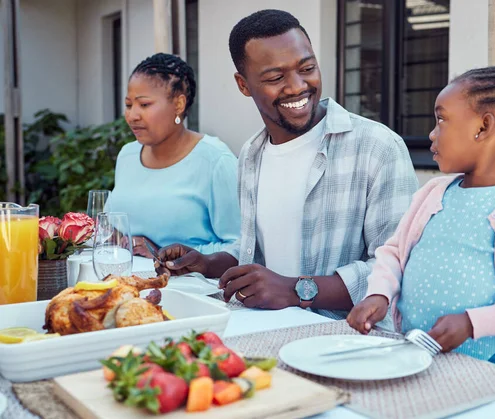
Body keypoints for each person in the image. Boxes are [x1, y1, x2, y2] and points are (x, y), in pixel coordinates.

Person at [157, 10, 418, 319]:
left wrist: (297, 290)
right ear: (243, 85)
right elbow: (260, 250)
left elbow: (399, 266)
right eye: (275, 78)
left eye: (306, 67)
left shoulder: (378, 147)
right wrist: (207, 263)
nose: (297, 86)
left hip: (347, 343)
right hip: (269, 331)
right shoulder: (252, 155)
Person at [347, 59, 495, 371]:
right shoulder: (433, 193)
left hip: (484, 368)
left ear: (484, 126)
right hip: (413, 358)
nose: (432, 133)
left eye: (442, 120)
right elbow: (394, 254)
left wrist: (471, 322)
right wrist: (378, 295)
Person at [110, 53, 240, 257]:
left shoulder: (216, 160)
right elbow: (116, 226)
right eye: (128, 105)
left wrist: (163, 253)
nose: (132, 115)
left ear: (178, 105)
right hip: (125, 284)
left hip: (192, 287)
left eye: (144, 105)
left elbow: (241, 247)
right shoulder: (127, 155)